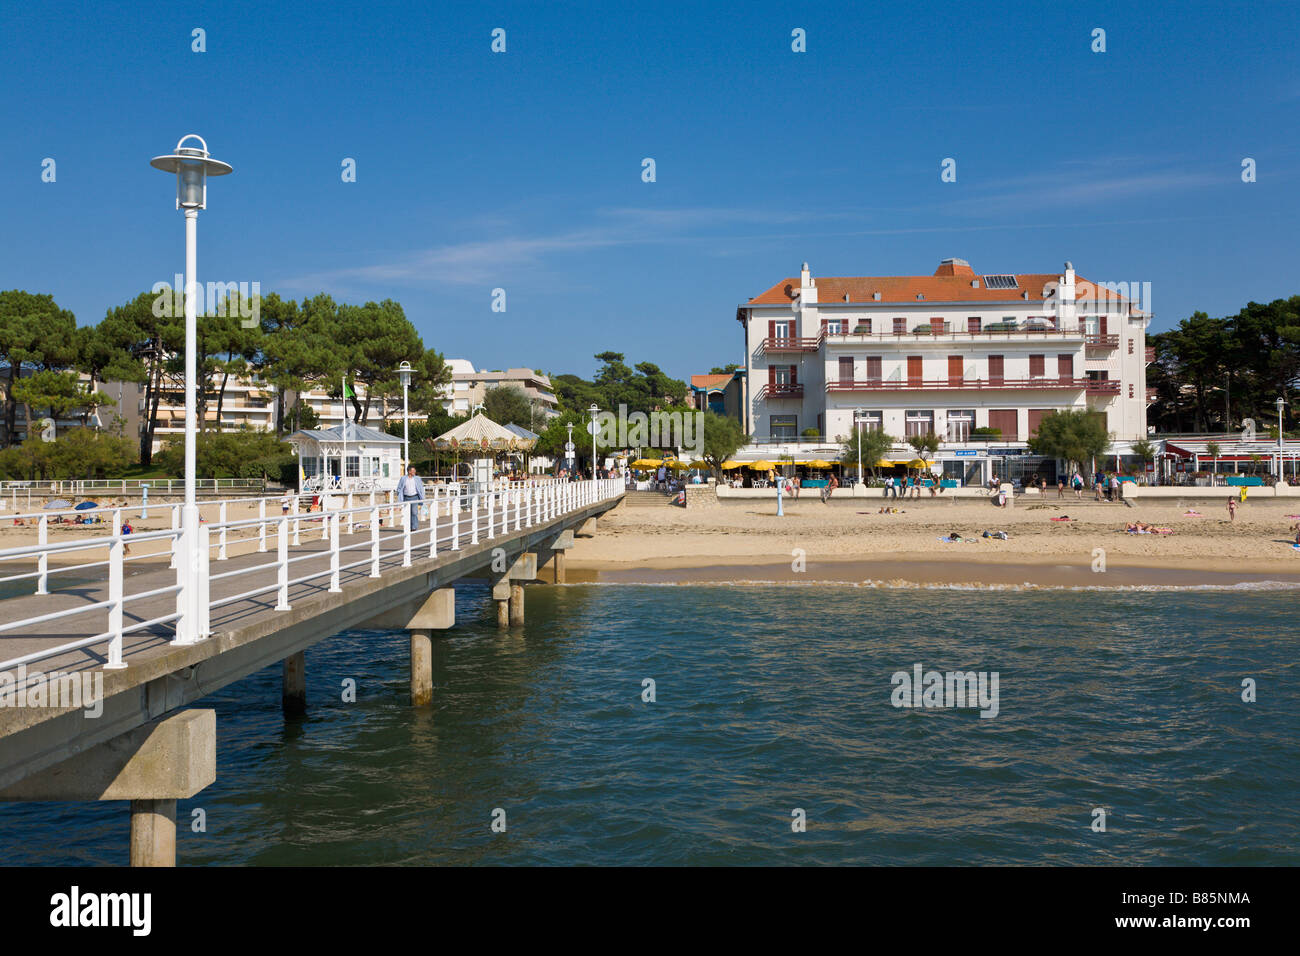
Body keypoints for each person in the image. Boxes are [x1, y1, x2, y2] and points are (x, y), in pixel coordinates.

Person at [398, 464, 425, 530]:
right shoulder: (403, 478)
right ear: (409, 471)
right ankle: (408, 527)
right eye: (413, 471)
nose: (414, 472)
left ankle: (414, 527)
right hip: (406, 497)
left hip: (415, 497)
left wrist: (422, 497)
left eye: (414, 470)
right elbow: (399, 487)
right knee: (407, 513)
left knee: (414, 512)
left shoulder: (417, 478)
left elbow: (421, 488)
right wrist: (399, 495)